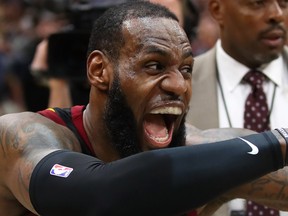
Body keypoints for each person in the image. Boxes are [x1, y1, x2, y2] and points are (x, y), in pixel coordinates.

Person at [1, 2, 288, 216]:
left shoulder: (205, 149)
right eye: (155, 66)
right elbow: (100, 195)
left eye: (186, 69)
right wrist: (276, 144)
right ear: (99, 70)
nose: (179, 85)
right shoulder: (20, 137)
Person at [186, 0, 288, 215]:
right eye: (258, 3)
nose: (276, 14)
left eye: (284, 3)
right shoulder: (178, 89)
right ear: (217, 10)